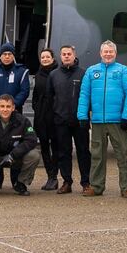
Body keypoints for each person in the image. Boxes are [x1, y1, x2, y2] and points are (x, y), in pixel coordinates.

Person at [77, 40, 127, 197]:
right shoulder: (91, 71)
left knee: (124, 154)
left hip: (118, 121)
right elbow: (84, 95)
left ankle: (126, 187)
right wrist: (82, 115)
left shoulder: (124, 71)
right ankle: (96, 186)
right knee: (97, 155)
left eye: (111, 51)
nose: (108, 54)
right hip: (97, 121)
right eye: (105, 51)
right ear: (100, 53)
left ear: (115, 53)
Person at [47, 45, 91, 194]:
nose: (66, 56)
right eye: (64, 54)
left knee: (83, 152)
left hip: (80, 121)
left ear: (74, 55)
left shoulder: (84, 74)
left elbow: (89, 96)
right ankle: (67, 181)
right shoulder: (53, 75)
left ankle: (86, 182)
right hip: (61, 121)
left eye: (69, 54)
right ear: (60, 56)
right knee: (64, 152)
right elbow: (49, 97)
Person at [0, 94, 41, 196]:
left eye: (8, 106)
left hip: (14, 157)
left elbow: (31, 140)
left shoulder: (23, 121)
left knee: (34, 155)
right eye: (2, 106)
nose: (5, 110)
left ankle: (20, 183)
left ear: (13, 108)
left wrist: (13, 155)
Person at [31, 48, 60, 191]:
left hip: (54, 116)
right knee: (44, 147)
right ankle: (49, 175)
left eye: (47, 57)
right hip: (41, 116)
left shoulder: (58, 73)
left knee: (55, 147)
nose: (45, 59)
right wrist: (37, 108)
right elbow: (35, 95)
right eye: (43, 57)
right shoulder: (39, 74)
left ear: (53, 59)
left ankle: (54, 176)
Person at [0, 42, 30, 112]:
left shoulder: (22, 71)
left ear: (13, 56)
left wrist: (12, 105)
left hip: (15, 111)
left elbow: (24, 91)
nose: (7, 57)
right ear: (0, 56)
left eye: (9, 54)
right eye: (4, 54)